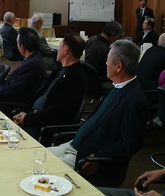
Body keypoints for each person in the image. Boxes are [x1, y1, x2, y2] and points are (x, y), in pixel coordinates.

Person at [47, 40, 148, 185]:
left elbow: (130, 144)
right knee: (34, 158)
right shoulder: (118, 87)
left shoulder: (134, 100)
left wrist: (99, 157)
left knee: (39, 171)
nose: (105, 64)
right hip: (74, 146)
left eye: (107, 60)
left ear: (118, 66)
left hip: (86, 158)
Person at [13, 34, 85, 139]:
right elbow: (39, 94)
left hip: (44, 127)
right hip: (33, 117)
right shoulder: (59, 71)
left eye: (60, 45)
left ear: (66, 49)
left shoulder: (75, 79)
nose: (57, 48)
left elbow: (57, 113)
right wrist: (23, 111)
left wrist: (27, 119)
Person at [0, 27, 46, 105]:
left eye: (17, 44)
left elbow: (12, 90)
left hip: (11, 103)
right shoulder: (34, 58)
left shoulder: (31, 65)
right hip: (11, 96)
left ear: (22, 47)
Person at [84, 21, 124, 87]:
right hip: (101, 81)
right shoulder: (106, 50)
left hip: (87, 78)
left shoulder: (91, 40)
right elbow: (112, 71)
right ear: (113, 35)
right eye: (117, 37)